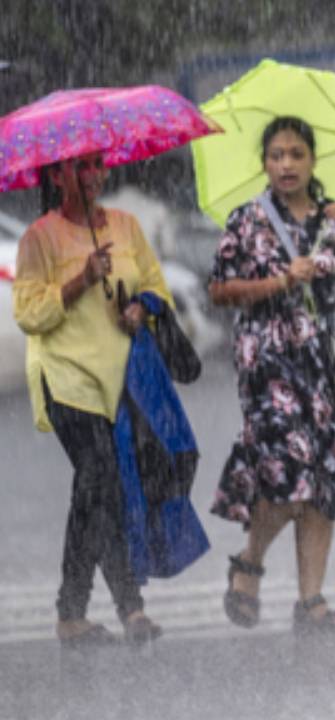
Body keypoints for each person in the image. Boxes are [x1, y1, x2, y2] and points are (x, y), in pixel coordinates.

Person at [208, 115, 335, 635]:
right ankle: (249, 562)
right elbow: (220, 289)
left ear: (312, 161)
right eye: (277, 155)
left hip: (321, 361)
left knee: (322, 476)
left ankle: (311, 601)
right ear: (265, 163)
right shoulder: (248, 219)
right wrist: (280, 280)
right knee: (285, 473)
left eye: (296, 154)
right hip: (268, 359)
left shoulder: (331, 215)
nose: (286, 164)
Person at [13, 151, 169, 648]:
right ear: (56, 175)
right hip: (65, 378)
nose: (93, 174)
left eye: (98, 164)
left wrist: (139, 311)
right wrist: (80, 280)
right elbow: (30, 314)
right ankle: (130, 608)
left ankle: (71, 614)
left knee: (95, 490)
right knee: (100, 477)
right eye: (80, 167)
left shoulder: (124, 226)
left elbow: (155, 287)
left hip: (116, 378)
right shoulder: (40, 237)